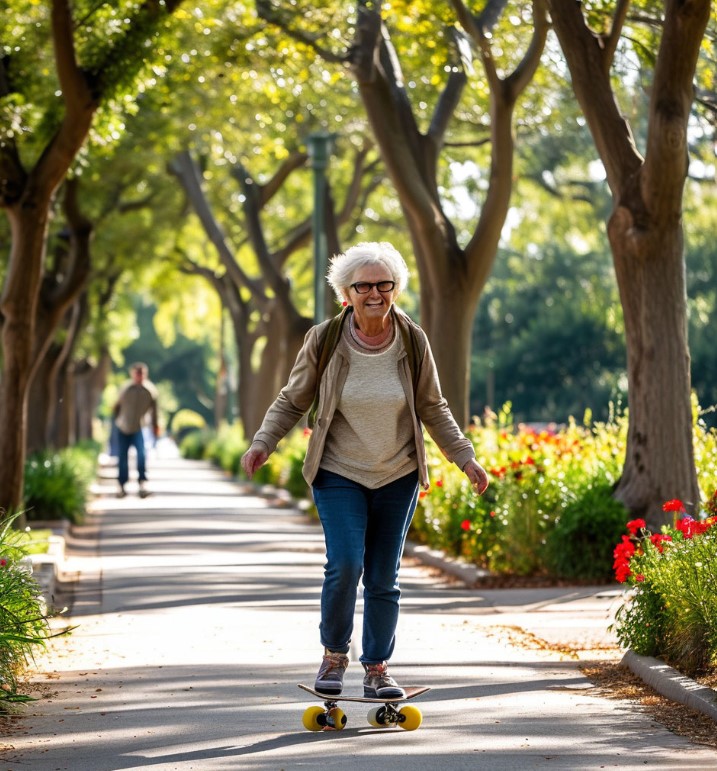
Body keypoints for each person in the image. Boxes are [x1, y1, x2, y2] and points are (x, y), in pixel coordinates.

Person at [241, 241, 489, 699]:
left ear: (395, 289)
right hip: (339, 472)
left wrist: (465, 457)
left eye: (384, 284)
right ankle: (334, 656)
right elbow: (293, 399)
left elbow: (433, 406)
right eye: (364, 286)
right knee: (345, 565)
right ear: (346, 294)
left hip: (397, 473)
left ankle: (377, 667)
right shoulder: (325, 339)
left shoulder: (413, 341)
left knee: (382, 577)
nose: (375, 293)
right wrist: (263, 442)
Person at [113, 362, 160, 498]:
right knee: (122, 457)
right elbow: (116, 407)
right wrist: (117, 422)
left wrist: (155, 426)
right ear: (132, 374)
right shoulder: (126, 389)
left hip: (139, 427)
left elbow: (154, 411)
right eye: (137, 373)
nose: (139, 376)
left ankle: (142, 484)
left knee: (141, 455)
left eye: (142, 373)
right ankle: (122, 486)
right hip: (123, 427)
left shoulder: (150, 391)